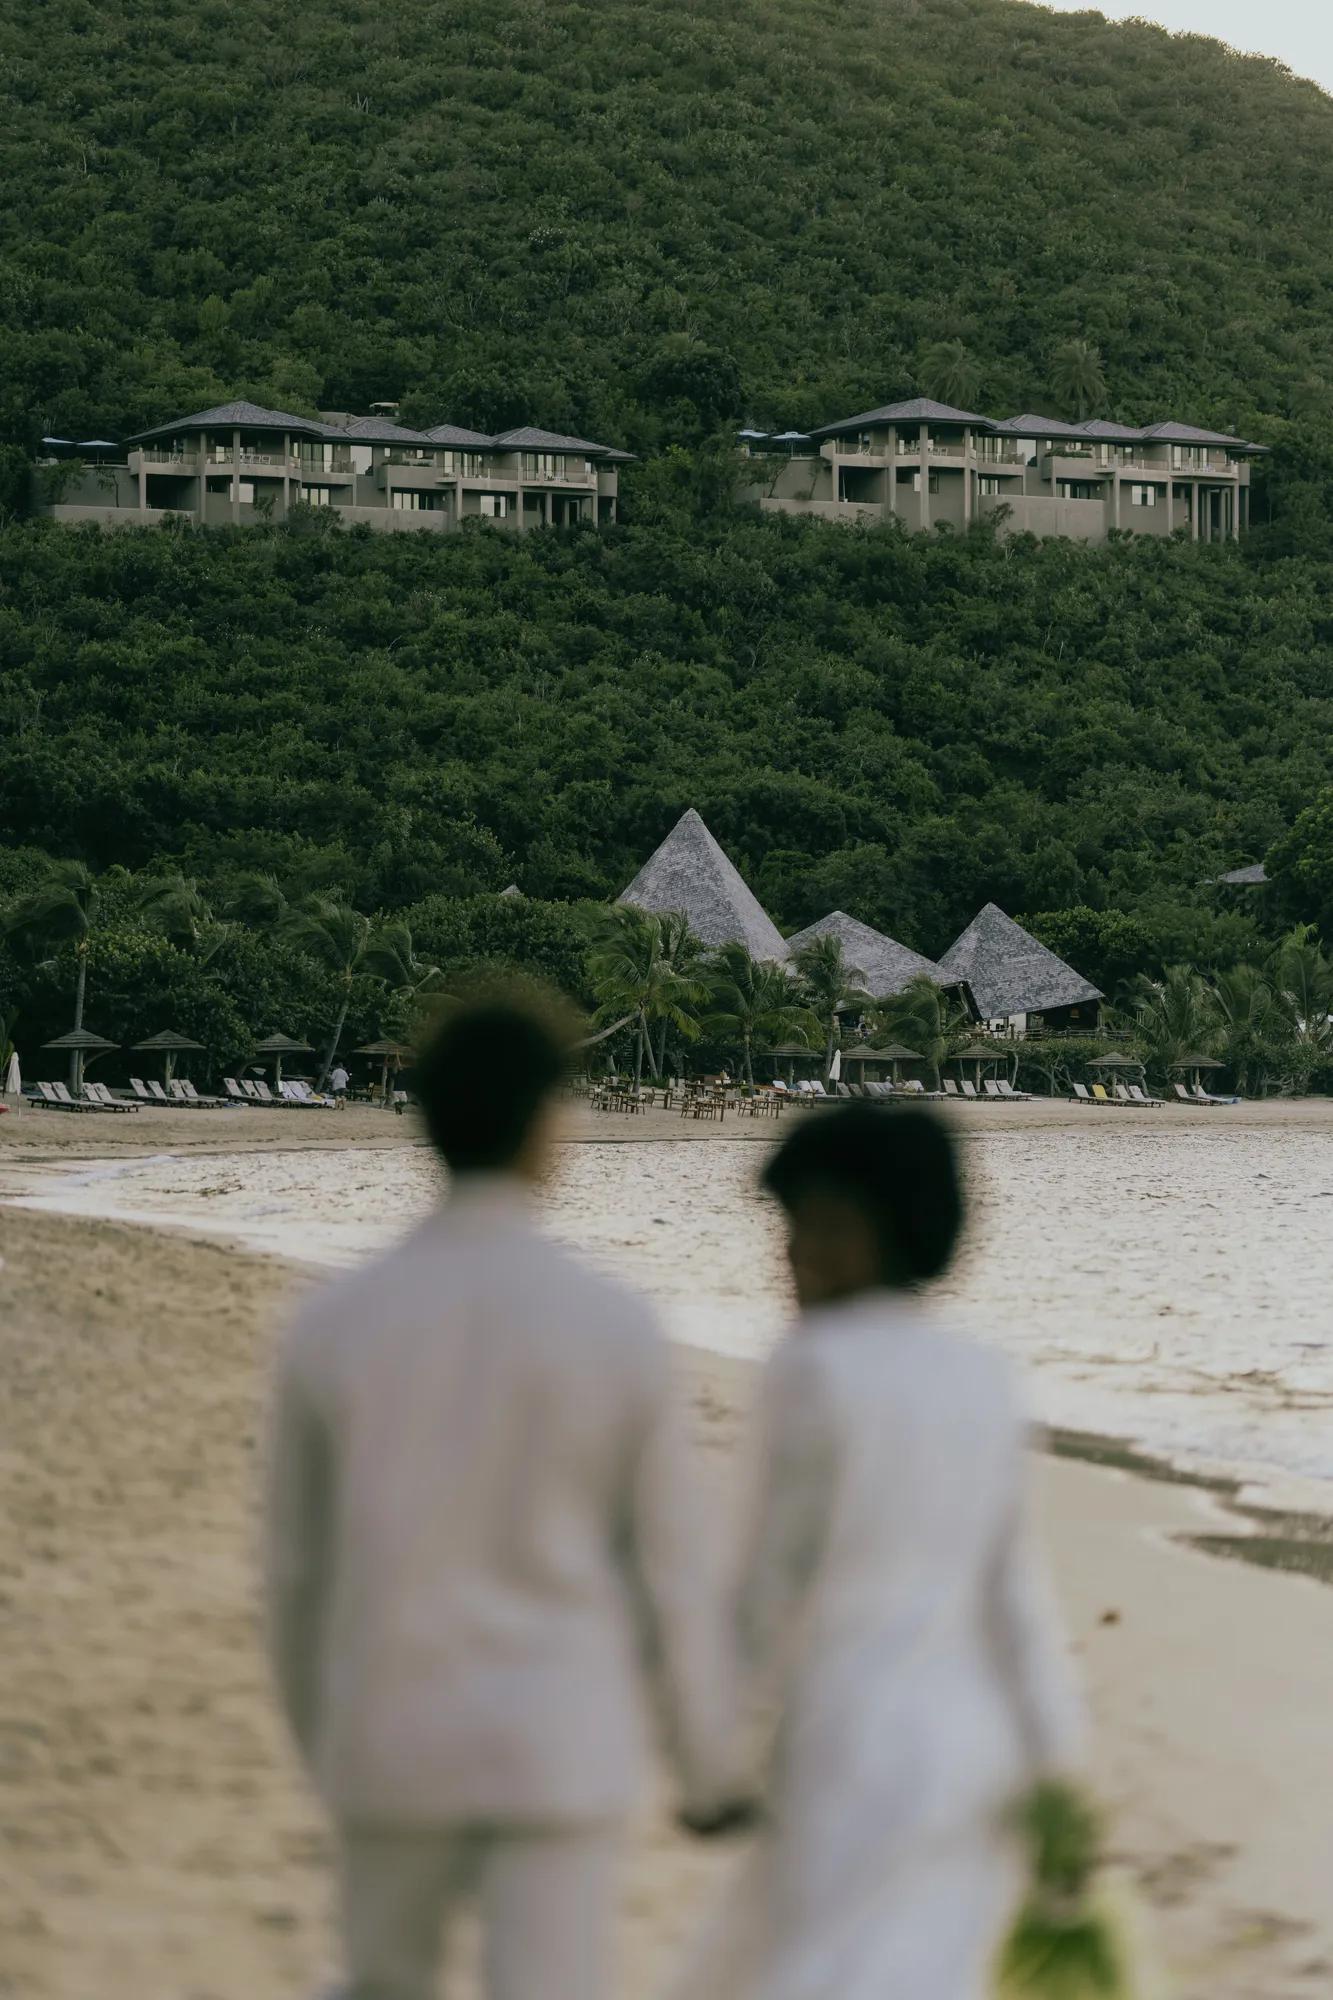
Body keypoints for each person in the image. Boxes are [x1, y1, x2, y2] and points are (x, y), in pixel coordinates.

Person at [264, 994, 747, 2000]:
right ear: (547, 1122)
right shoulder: (611, 1323)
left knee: (381, 1981)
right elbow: (667, 1569)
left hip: (392, 1725)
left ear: (424, 1119)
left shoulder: (335, 1321)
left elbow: (297, 1574)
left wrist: (327, 1741)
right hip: (556, 1740)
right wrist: (705, 1765)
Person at [671, 1103, 1083, 2000]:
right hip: (976, 1754)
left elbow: (759, 1587)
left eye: (818, 1228)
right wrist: (1059, 1770)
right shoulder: (983, 1374)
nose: (791, 1253)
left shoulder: (811, 1366)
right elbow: (1015, 1600)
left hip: (846, 1747)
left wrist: (710, 1763)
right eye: (788, 1228)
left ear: (894, 1230)